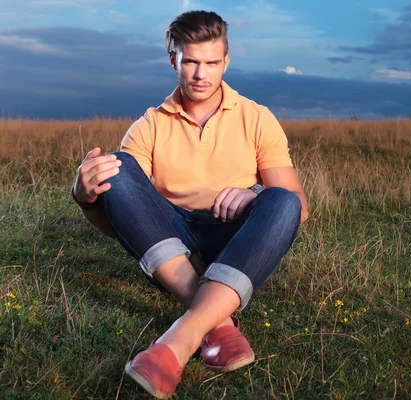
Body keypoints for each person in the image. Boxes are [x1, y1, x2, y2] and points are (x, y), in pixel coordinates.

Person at [71, 10, 308, 399]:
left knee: (282, 200)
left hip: (235, 241)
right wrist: (85, 199)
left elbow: (298, 206)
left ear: (226, 62)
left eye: (212, 62)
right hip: (172, 245)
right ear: (173, 60)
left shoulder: (257, 118)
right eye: (191, 61)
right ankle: (219, 324)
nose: (202, 74)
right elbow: (127, 217)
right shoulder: (149, 125)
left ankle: (179, 341)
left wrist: (253, 194)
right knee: (118, 167)